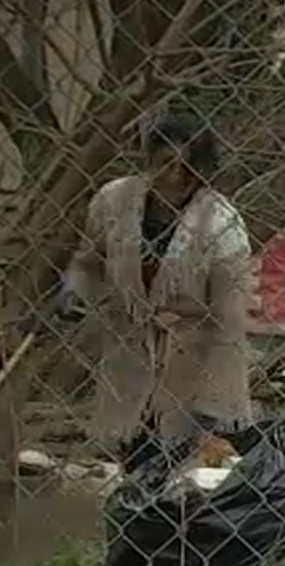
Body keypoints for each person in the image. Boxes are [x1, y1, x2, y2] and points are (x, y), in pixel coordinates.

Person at [58, 111, 255, 462]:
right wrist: (75, 292)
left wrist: (211, 402)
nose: (175, 176)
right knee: (122, 457)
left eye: (188, 167)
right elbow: (89, 261)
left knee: (179, 466)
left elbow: (229, 325)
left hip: (190, 358)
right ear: (151, 159)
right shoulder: (114, 202)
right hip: (128, 349)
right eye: (167, 162)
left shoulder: (222, 225)